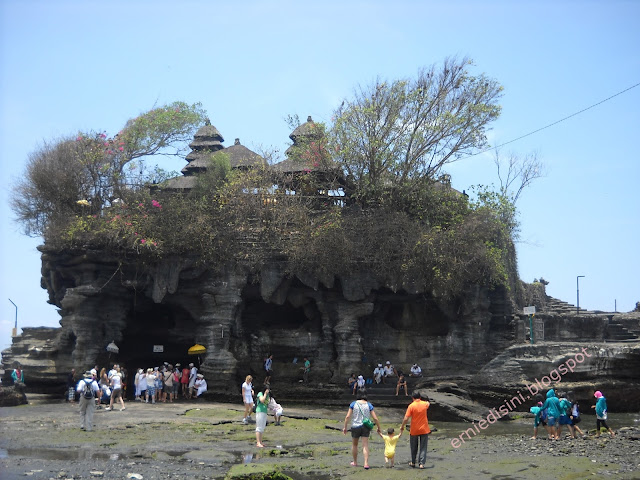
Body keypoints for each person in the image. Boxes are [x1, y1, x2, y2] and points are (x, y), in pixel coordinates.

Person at [342, 391, 381, 470]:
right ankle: (366, 463)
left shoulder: (353, 404)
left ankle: (355, 462)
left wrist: (345, 427)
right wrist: (379, 427)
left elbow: (347, 417)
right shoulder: (369, 404)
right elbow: (375, 418)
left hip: (355, 426)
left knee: (355, 445)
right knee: (365, 445)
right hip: (365, 427)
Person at [400, 391, 431, 469]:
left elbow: (406, 418)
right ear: (420, 397)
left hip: (414, 429)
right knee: (423, 447)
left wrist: (402, 426)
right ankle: (421, 464)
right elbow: (428, 403)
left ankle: (413, 462)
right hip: (424, 429)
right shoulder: (424, 404)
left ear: (412, 398)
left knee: (413, 446)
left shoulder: (411, 406)